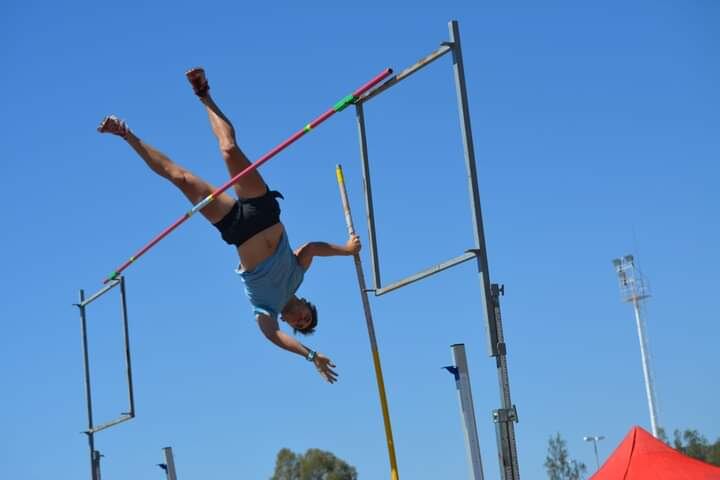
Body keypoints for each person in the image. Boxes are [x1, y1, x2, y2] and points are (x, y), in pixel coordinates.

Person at [97, 67, 360, 383]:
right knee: (229, 150)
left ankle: (126, 134)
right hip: (264, 213)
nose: (303, 319)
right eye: (309, 316)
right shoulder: (298, 273)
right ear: (307, 304)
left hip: (236, 229)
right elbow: (313, 248)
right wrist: (347, 250)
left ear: (291, 323)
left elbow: (275, 337)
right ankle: (204, 94)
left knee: (179, 178)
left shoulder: (266, 313)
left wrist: (311, 355)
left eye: (301, 326)